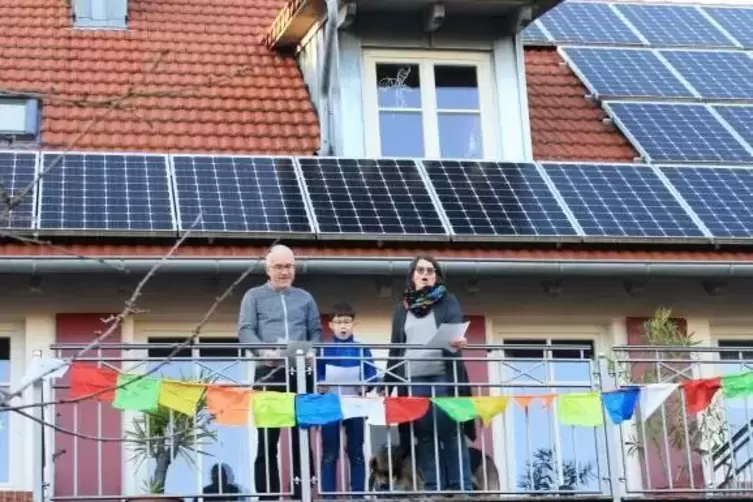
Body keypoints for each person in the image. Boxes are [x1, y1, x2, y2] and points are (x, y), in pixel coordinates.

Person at [382, 255, 476, 494]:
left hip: (443, 375)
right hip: (414, 379)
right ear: (412, 276)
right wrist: (387, 382)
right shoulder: (401, 309)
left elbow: (456, 327)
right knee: (425, 436)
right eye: (420, 270)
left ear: (437, 276)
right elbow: (396, 348)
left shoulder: (448, 301)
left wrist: (459, 340)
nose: (425, 275)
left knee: (451, 432)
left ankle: (461, 489)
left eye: (430, 271)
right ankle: (434, 489)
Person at [237, 244, 322, 500]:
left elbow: (316, 332)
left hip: (300, 374)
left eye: (288, 266)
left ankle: (303, 495)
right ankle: (268, 497)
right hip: (268, 373)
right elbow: (245, 330)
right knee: (267, 440)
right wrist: (263, 352)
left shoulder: (305, 298)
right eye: (278, 267)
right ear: (268, 268)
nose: (284, 272)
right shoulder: (253, 296)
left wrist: (311, 351)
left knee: (301, 438)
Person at [316, 302, 379, 498]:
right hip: (330, 403)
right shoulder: (323, 349)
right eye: (338, 322)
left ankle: (358, 495)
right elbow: (316, 375)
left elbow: (372, 374)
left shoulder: (362, 349)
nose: (343, 326)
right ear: (330, 325)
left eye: (347, 322)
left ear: (354, 324)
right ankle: (328, 496)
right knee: (329, 453)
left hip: (354, 402)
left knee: (356, 452)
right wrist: (320, 384)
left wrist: (365, 385)